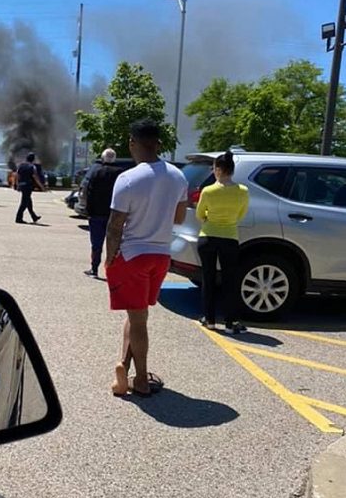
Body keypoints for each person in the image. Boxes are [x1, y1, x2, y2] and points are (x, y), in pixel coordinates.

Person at [105, 119, 188, 397]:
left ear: (132, 143)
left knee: (138, 319)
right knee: (138, 313)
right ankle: (123, 366)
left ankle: (140, 380)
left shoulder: (128, 178)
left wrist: (109, 258)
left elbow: (115, 225)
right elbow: (179, 218)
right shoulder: (179, 177)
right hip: (161, 256)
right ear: (159, 144)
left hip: (133, 255)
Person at [196, 150, 249, 334]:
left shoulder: (208, 191)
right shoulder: (242, 191)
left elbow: (199, 213)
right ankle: (231, 320)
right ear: (232, 170)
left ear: (218, 169)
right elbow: (241, 214)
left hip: (208, 236)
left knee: (208, 279)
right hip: (230, 236)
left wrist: (209, 218)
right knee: (230, 280)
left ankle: (209, 319)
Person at [84, 148, 121, 278]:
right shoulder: (120, 174)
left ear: (103, 158)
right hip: (115, 213)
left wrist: (88, 210)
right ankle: (114, 270)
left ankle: (94, 269)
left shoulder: (96, 172)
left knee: (96, 244)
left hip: (97, 214)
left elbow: (89, 192)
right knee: (115, 244)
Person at [15, 152, 44, 224]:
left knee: (28, 202)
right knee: (24, 203)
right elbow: (35, 177)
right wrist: (41, 186)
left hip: (22, 185)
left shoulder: (21, 165)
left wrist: (17, 185)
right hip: (28, 186)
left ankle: (34, 216)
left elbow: (17, 175)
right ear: (33, 159)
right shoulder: (32, 167)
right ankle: (18, 218)